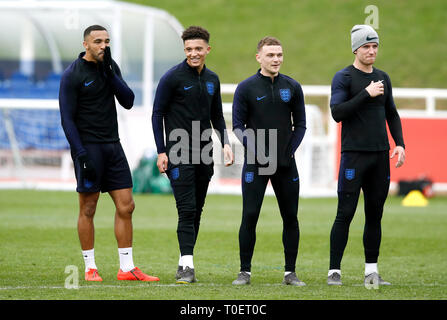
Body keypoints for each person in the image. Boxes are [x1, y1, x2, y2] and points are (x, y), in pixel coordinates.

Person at [59, 25, 159, 282]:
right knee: (89, 208)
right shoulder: (72, 74)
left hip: (113, 146)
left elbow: (128, 100)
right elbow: (67, 119)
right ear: (86, 44)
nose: (103, 45)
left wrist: (109, 73)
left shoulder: (110, 67)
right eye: (98, 41)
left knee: (127, 205)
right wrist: (80, 154)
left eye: (106, 41)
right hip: (89, 149)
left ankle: (127, 268)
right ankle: (90, 267)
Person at [152, 25, 234, 284]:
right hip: (177, 151)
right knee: (186, 209)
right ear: (184, 49)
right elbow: (157, 114)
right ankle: (187, 267)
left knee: (197, 210)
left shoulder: (212, 79)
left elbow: (217, 115)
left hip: (204, 152)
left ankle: (183, 260)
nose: (193, 53)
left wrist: (225, 143)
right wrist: (161, 151)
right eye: (188, 49)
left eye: (198, 49)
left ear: (207, 49)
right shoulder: (172, 78)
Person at [327, 25, 406, 287]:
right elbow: (338, 112)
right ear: (355, 49)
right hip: (353, 156)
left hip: (380, 156)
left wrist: (400, 144)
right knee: (345, 212)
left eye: (374, 46)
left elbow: (392, 113)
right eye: (366, 47)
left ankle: (371, 271)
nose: (371, 51)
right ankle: (334, 271)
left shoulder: (383, 77)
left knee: (375, 214)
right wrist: (366, 94)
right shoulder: (344, 78)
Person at [231, 36, 307, 286]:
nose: (276, 59)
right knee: (250, 215)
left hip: (286, 163)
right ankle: (244, 272)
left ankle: (290, 273)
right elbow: (238, 127)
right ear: (259, 57)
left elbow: (301, 124)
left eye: (280, 55)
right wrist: (256, 151)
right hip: (255, 163)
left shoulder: (293, 87)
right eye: (271, 55)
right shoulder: (246, 88)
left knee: (290, 216)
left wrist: (289, 150)